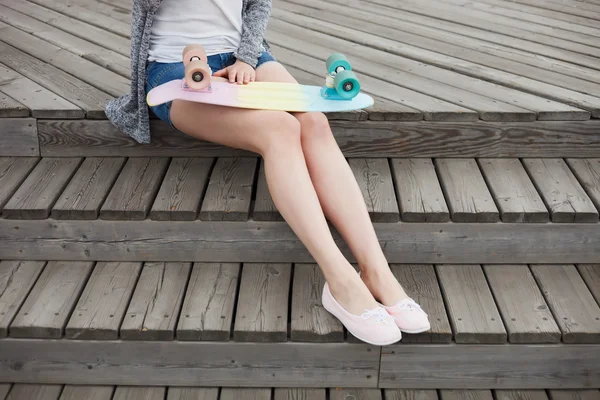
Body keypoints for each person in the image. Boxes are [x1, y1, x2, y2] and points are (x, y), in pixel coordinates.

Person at [105, 0, 430, 345]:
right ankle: (340, 281)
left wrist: (245, 58)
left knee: (314, 123)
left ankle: (376, 271)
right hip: (175, 67)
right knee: (279, 128)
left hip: (245, 55)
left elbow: (257, 5)